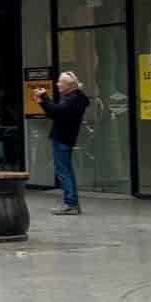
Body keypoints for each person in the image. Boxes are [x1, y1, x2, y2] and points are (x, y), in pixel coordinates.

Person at [36, 71, 91, 215]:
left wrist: (44, 98)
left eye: (61, 82)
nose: (57, 84)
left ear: (69, 85)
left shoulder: (73, 100)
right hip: (65, 137)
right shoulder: (73, 98)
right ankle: (72, 203)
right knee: (66, 171)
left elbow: (56, 112)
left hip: (63, 138)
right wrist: (44, 100)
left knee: (64, 171)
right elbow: (54, 112)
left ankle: (71, 204)